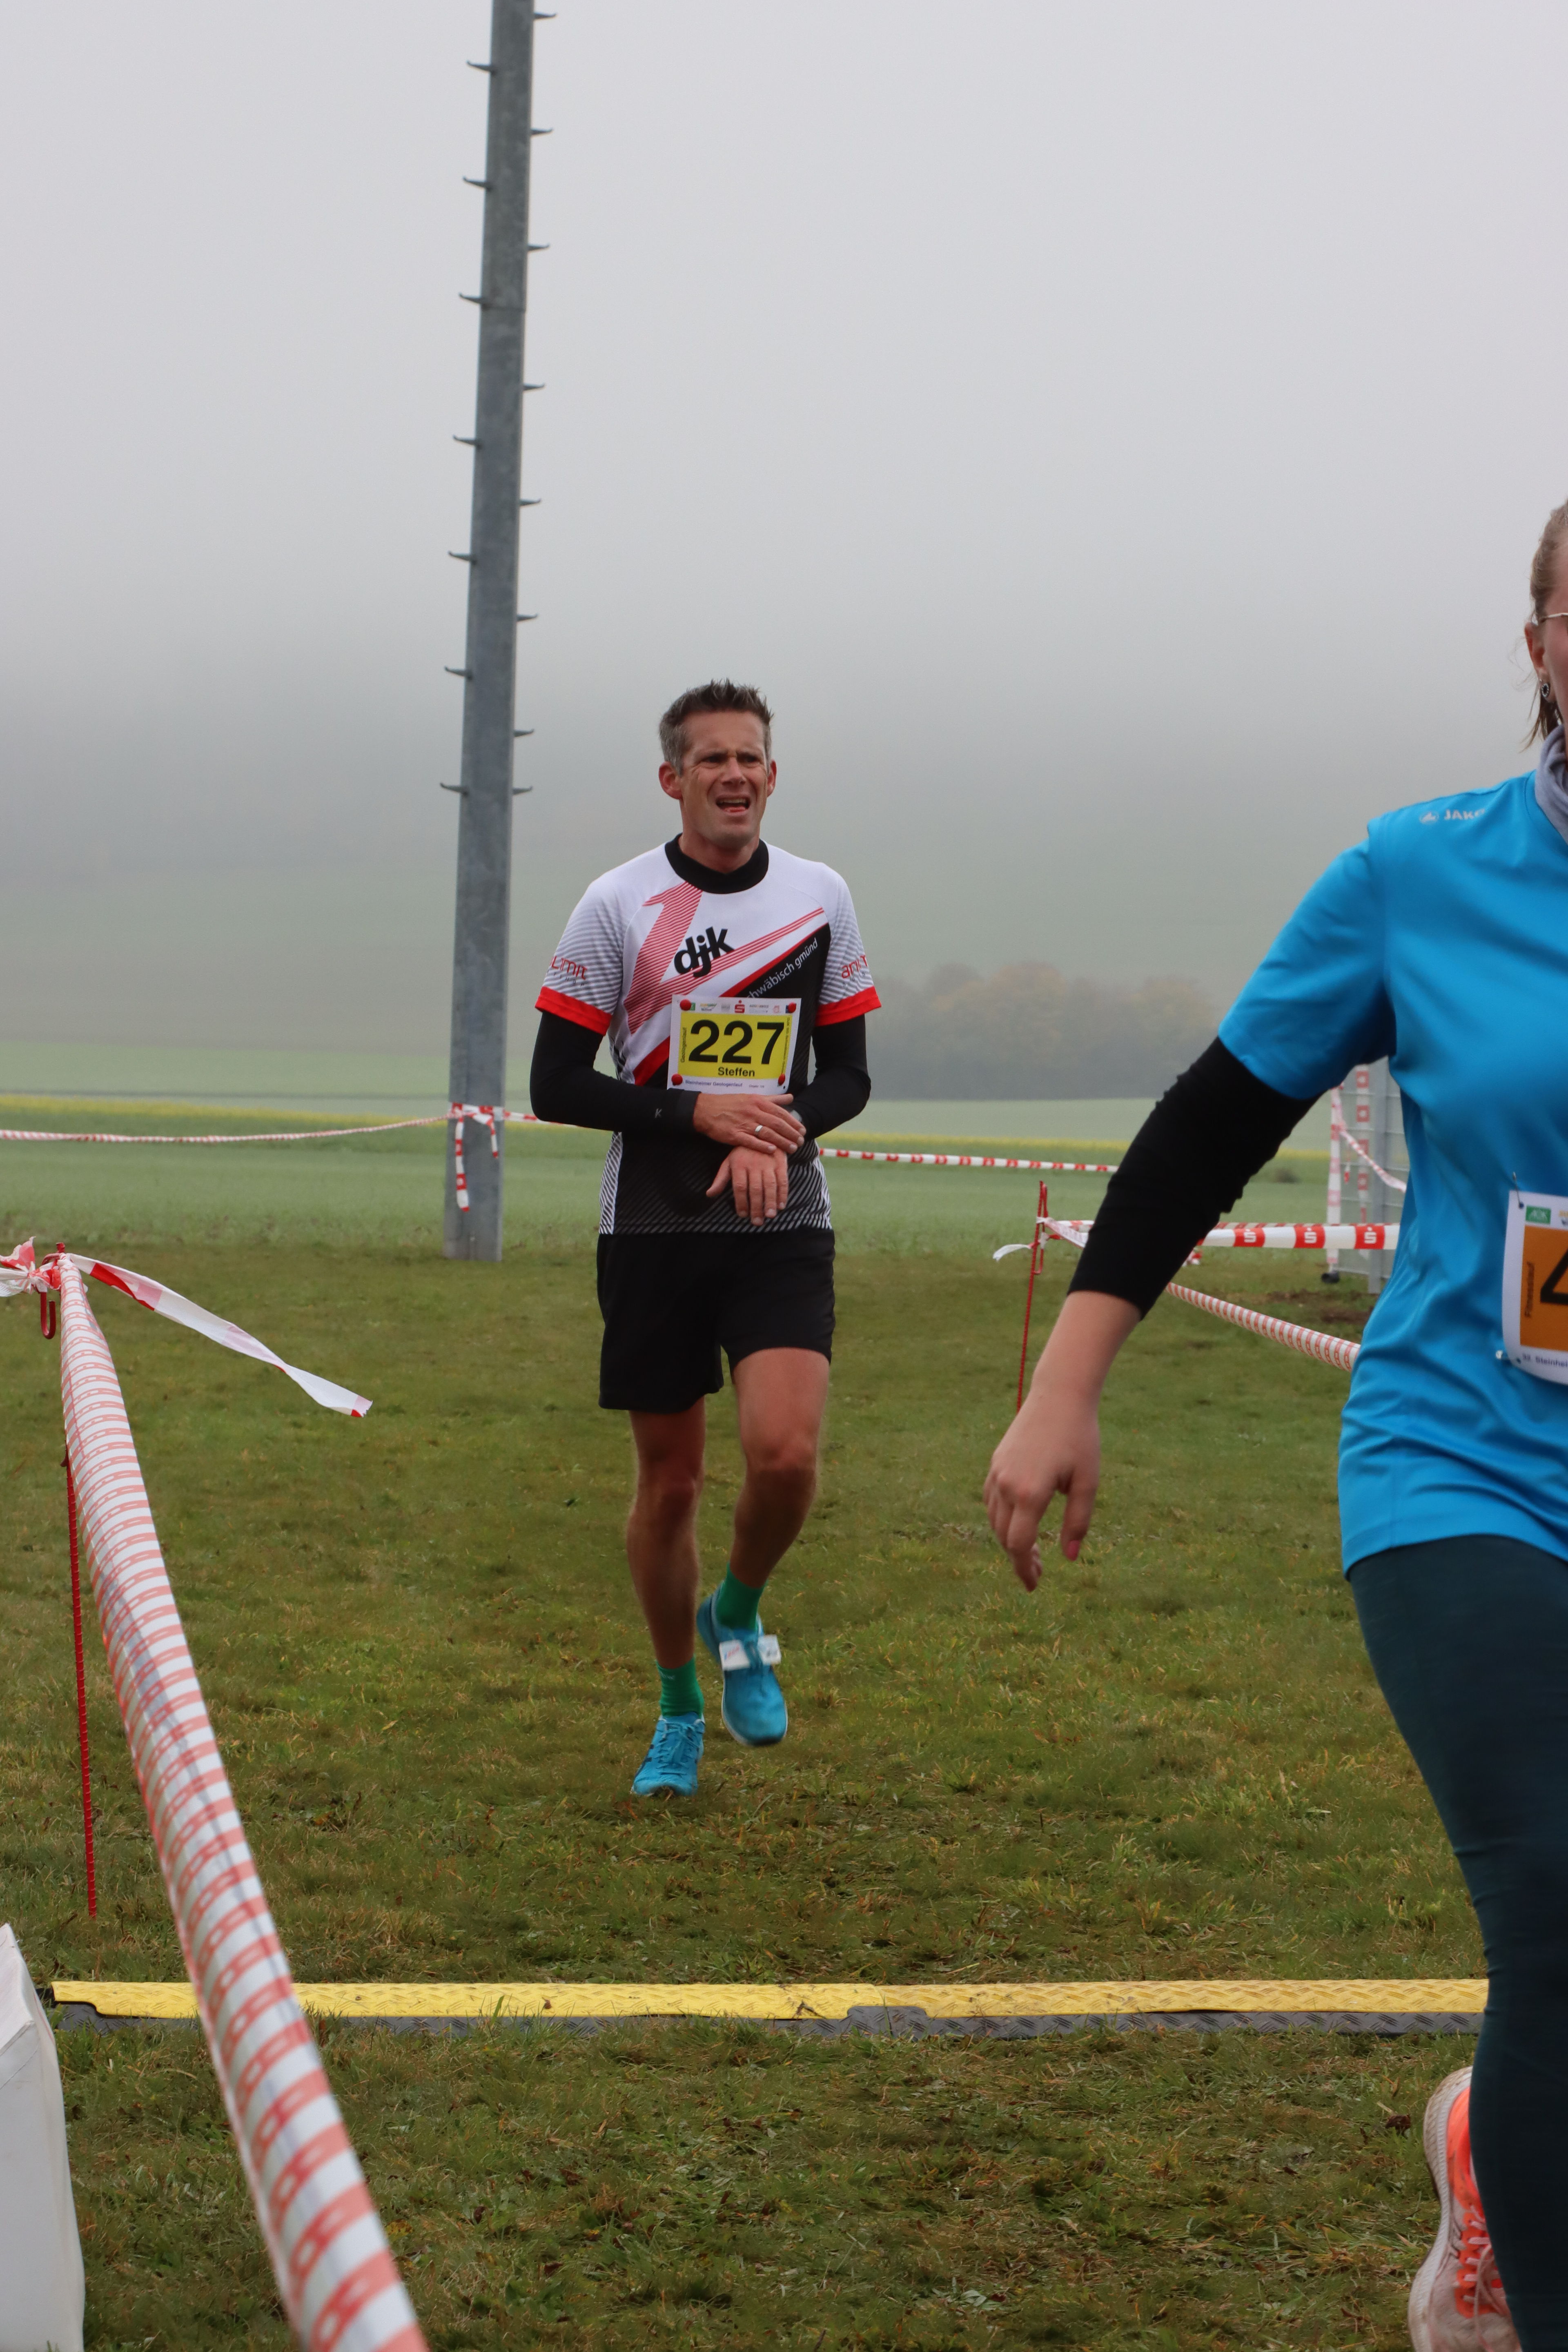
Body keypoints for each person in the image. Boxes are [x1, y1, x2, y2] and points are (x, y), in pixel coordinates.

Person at [983, 500, 1568, 2352]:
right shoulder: (1419, 875)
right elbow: (1215, 1122)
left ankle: (1490, 2157)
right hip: (1468, 1462)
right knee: (1560, 1903)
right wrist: (1068, 1381)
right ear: (1540, 645)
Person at [530, 681, 879, 1799]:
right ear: (672, 778)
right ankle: (679, 1707)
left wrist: (778, 1128)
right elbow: (553, 1084)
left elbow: (850, 1077)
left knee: (785, 1457)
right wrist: (698, 1114)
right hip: (655, 1221)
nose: (734, 774)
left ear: (772, 776)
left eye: (750, 757)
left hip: (780, 1213)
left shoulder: (820, 895)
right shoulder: (615, 903)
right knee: (672, 1485)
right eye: (711, 758)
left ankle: (738, 1609)